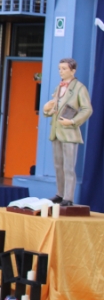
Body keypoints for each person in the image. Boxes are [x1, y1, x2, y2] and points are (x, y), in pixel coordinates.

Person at [42, 58, 93, 206]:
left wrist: (72, 121)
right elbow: (54, 109)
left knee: (68, 167)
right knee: (58, 165)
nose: (61, 71)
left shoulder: (79, 88)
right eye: (59, 69)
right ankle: (60, 193)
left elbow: (87, 109)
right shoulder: (59, 87)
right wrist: (47, 110)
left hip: (69, 133)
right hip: (56, 131)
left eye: (64, 69)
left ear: (73, 70)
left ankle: (68, 197)